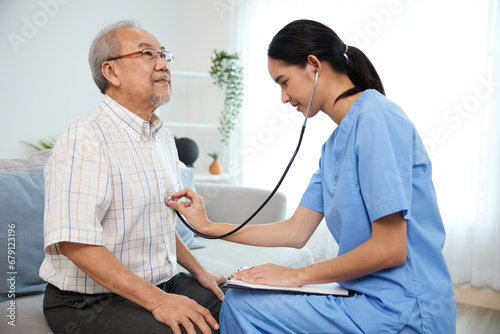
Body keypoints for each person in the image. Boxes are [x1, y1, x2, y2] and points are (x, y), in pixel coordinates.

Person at [167, 19, 457, 333]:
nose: (283, 97)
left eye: (283, 81)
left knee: (242, 305)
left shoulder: (377, 119)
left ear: (314, 66)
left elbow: (390, 248)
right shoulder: (332, 147)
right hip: (365, 297)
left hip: (403, 307)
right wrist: (209, 227)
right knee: (242, 297)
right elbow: (296, 231)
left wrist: (294, 276)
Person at [39, 20, 226, 334]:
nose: (163, 64)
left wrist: (200, 271)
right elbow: (75, 243)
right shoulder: (85, 140)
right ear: (111, 72)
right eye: (148, 54)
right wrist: (159, 302)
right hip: (89, 301)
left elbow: (158, 222)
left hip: (161, 283)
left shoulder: (162, 136)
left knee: (237, 309)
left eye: (163, 54)